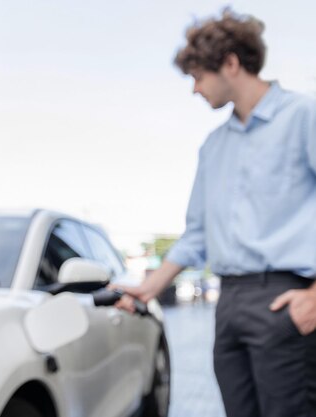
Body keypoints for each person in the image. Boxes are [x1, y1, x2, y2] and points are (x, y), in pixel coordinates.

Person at [112, 9, 316, 417]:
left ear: (231, 63)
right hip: (229, 305)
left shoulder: (303, 117)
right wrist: (149, 288)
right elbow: (198, 234)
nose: (194, 89)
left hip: (285, 298)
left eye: (198, 76)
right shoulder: (214, 146)